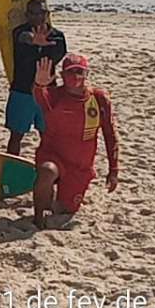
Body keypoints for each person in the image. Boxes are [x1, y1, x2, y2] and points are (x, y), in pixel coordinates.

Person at [31, 55, 119, 229]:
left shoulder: (99, 99)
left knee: (64, 209)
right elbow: (40, 98)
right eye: (70, 72)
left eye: (79, 72)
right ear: (62, 75)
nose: (75, 77)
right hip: (53, 155)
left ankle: (55, 195)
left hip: (80, 167)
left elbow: (110, 134)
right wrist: (39, 85)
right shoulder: (55, 95)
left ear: (86, 74)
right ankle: (38, 218)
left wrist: (113, 169)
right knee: (47, 171)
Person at [6, 0, 67, 156]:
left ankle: (46, 170)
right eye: (32, 13)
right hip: (22, 91)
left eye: (41, 12)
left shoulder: (58, 37)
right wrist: (34, 40)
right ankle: (12, 172)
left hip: (47, 93)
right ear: (26, 15)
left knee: (47, 135)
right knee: (16, 136)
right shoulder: (19, 32)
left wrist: (42, 45)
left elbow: (58, 55)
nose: (37, 16)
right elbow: (22, 37)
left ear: (47, 14)